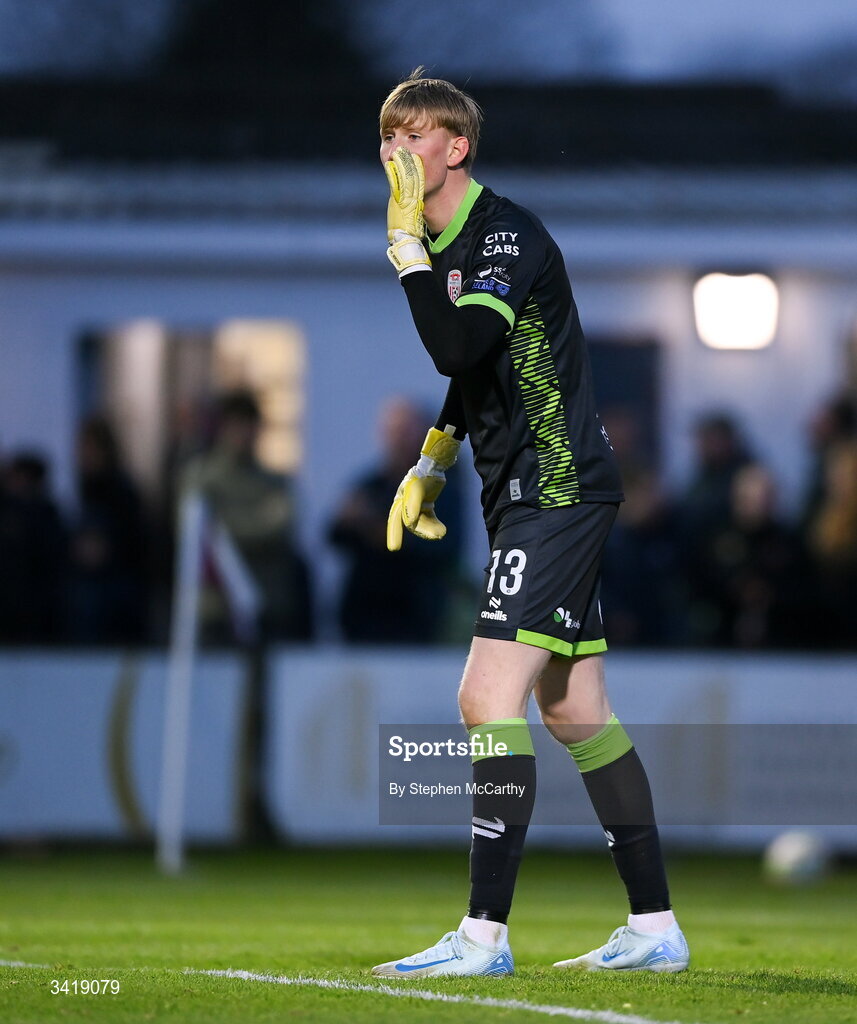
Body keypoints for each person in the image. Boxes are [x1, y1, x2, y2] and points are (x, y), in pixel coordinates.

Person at [371, 70, 688, 978]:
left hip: (553, 492)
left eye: (415, 135)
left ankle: (482, 939)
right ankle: (655, 928)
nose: (397, 151)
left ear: (456, 148)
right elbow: (475, 372)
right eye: (388, 136)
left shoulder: (501, 232)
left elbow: (456, 343)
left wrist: (407, 257)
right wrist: (433, 460)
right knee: (576, 711)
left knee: (484, 699)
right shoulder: (451, 241)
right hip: (534, 493)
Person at [328, 395, 464, 644]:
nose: (397, 440)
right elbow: (334, 535)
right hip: (363, 617)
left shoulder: (442, 487)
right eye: (392, 432)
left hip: (415, 615)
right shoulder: (370, 484)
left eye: (405, 432)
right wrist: (354, 522)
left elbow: (446, 546)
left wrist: (385, 533)